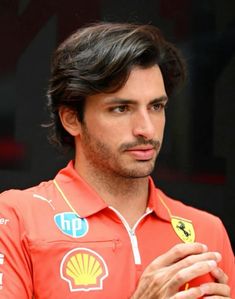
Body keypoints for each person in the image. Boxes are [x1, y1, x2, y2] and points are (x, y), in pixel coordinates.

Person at [0, 22, 234, 299]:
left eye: (156, 106)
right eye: (121, 108)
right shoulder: (15, 217)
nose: (146, 129)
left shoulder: (207, 230)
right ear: (71, 118)